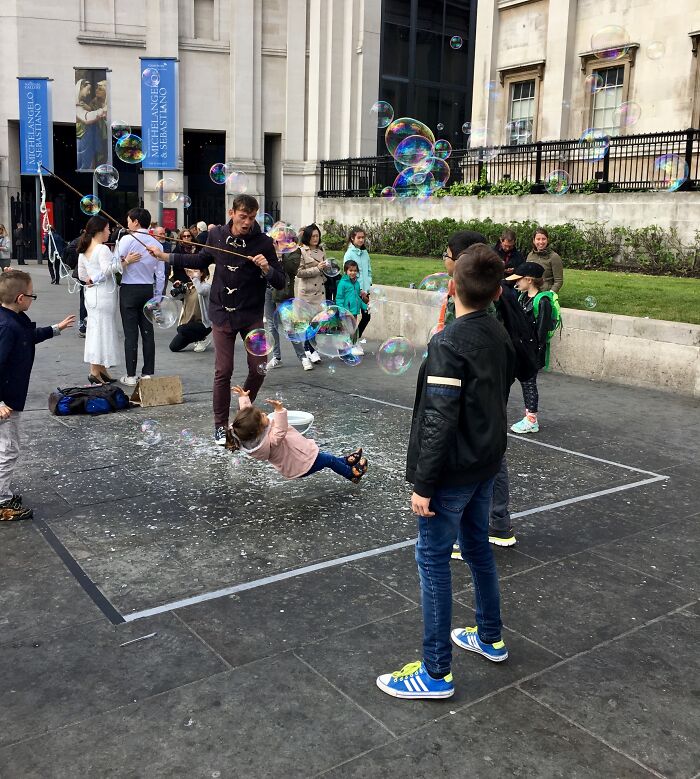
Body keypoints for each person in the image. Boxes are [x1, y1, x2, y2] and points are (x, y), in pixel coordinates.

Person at [377, 244, 515, 700]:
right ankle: (490, 637)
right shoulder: (498, 331)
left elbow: (438, 418)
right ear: (497, 292)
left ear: (451, 286)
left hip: (453, 472)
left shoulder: (449, 342)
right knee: (477, 549)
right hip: (485, 464)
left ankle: (436, 672)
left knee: (433, 559)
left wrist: (424, 484)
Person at [148, 194, 284, 445]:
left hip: (251, 314)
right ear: (232, 213)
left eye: (252, 218)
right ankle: (220, 424)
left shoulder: (263, 242)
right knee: (224, 370)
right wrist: (164, 256)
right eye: (243, 216)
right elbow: (199, 260)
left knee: (259, 368)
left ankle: (244, 414)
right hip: (221, 312)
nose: (247, 223)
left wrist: (267, 268)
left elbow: (280, 280)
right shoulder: (217, 236)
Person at [0, 270, 75, 520]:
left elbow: (29, 337)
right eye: (32, 295)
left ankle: (3, 492)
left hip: (11, 397)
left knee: (7, 447)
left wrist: (57, 328)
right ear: (21, 298)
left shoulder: (14, 318)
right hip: (5, 402)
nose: (34, 299)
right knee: (8, 450)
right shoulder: (7, 327)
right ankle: (1, 501)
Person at [227, 386, 368, 483]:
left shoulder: (249, 433)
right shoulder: (271, 441)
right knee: (328, 459)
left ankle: (345, 461)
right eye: (261, 417)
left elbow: (247, 418)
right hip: (300, 464)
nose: (264, 414)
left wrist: (243, 398)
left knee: (324, 456)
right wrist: (279, 410)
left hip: (297, 457)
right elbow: (281, 429)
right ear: (258, 429)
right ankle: (352, 474)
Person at [78, 216, 136, 384]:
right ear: (99, 230)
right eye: (107, 229)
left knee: (95, 330)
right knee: (101, 332)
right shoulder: (101, 249)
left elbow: (82, 275)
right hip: (103, 294)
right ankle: (95, 371)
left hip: (91, 295)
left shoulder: (85, 249)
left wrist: (90, 280)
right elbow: (107, 270)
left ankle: (101, 369)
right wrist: (125, 262)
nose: (109, 232)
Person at [506, 261, 558, 434]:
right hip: (520, 349)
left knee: (529, 383)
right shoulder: (522, 297)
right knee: (516, 381)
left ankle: (531, 419)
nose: (515, 283)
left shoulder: (542, 302)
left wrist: (535, 356)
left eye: (518, 280)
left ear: (529, 280)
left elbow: (541, 333)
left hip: (531, 352)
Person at [116, 208, 166, 386]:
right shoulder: (156, 243)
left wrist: (126, 261)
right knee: (147, 332)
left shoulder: (127, 240)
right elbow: (160, 275)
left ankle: (130, 375)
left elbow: (116, 265)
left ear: (136, 221)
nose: (127, 222)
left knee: (130, 334)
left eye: (129, 220)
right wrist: (158, 296)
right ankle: (147, 373)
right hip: (147, 289)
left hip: (129, 288)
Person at [436, 230, 487, 332]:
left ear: (461, 260)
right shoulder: (486, 287)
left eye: (447, 255)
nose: (445, 259)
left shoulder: (469, 297)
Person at [294, 223, 327, 368]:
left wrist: (328, 268)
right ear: (307, 237)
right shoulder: (301, 251)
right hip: (307, 293)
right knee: (309, 323)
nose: (315, 238)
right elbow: (299, 272)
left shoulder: (322, 250)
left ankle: (310, 349)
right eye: (313, 236)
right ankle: (311, 350)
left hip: (319, 291)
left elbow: (324, 270)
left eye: (317, 236)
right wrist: (317, 268)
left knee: (317, 323)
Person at [168, 268, 212, 353]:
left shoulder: (206, 287)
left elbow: (201, 291)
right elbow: (172, 297)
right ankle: (196, 338)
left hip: (203, 325)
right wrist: (174, 287)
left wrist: (195, 279)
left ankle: (202, 339)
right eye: (190, 271)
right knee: (173, 347)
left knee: (181, 329)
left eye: (195, 271)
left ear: (202, 273)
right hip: (188, 325)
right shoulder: (187, 287)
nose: (192, 273)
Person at [343, 228, 372, 353]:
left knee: (366, 316)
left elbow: (369, 270)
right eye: (358, 237)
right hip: (354, 291)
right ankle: (352, 343)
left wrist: (368, 286)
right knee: (353, 318)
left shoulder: (365, 253)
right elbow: (348, 273)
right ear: (352, 238)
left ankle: (354, 340)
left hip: (366, 291)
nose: (361, 240)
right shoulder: (349, 254)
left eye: (362, 237)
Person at [336, 259, 368, 352]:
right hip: (346, 312)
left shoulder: (356, 283)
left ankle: (350, 347)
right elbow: (339, 298)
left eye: (355, 270)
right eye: (350, 270)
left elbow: (358, 298)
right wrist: (342, 310)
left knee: (352, 330)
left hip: (354, 312)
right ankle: (342, 349)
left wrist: (365, 307)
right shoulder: (343, 283)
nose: (353, 272)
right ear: (346, 271)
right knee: (345, 331)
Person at [527, 227, 564, 292]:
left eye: (543, 239)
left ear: (547, 240)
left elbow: (558, 281)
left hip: (546, 293)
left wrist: (550, 293)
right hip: (531, 292)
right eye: (538, 239)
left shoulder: (554, 257)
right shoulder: (530, 255)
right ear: (534, 240)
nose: (541, 242)